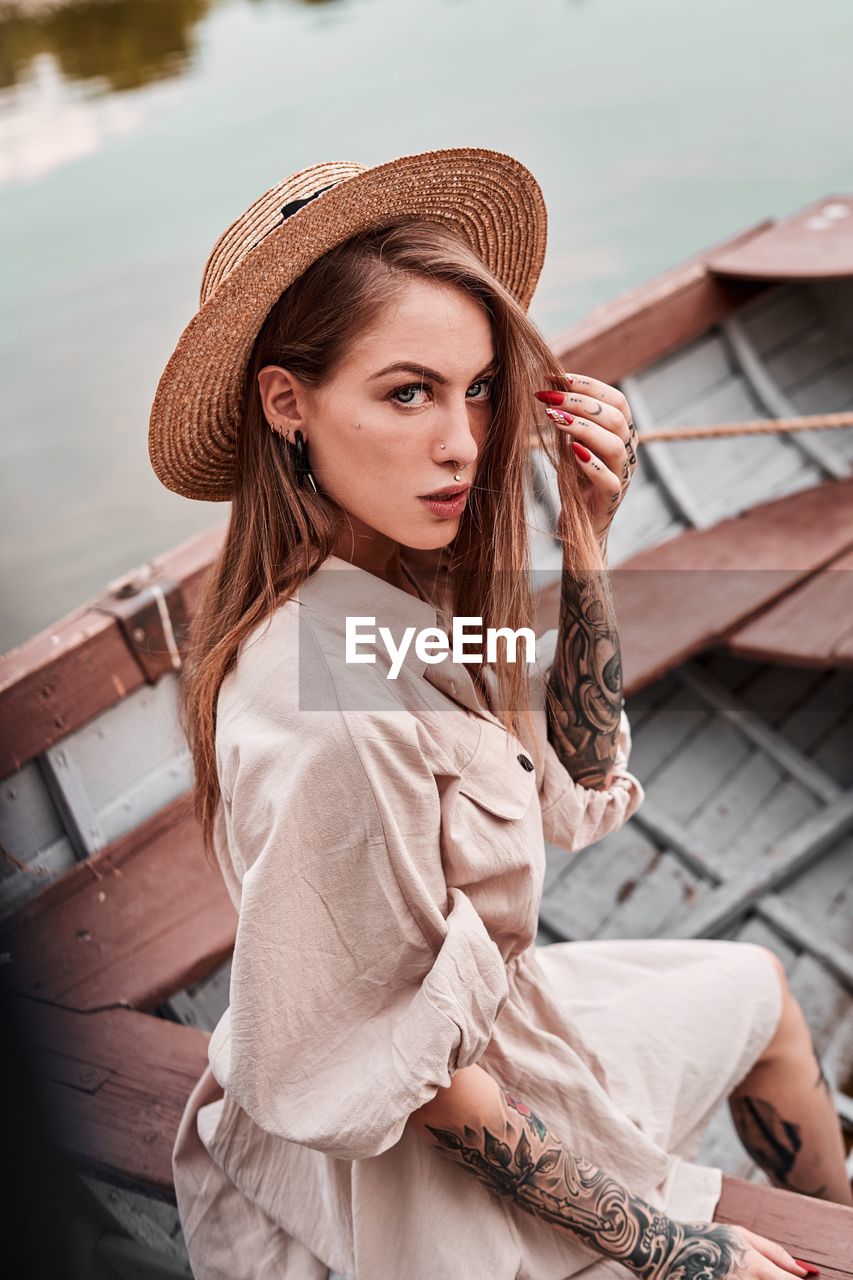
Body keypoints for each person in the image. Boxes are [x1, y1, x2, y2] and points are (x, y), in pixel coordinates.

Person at [148, 149, 850, 1280]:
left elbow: (564, 777)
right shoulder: (321, 700)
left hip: (501, 1036)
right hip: (417, 1156)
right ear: (287, 402)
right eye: (406, 392)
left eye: (477, 388)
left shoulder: (386, 594)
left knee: (760, 993)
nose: (464, 444)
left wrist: (583, 539)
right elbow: (414, 1079)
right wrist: (672, 1245)